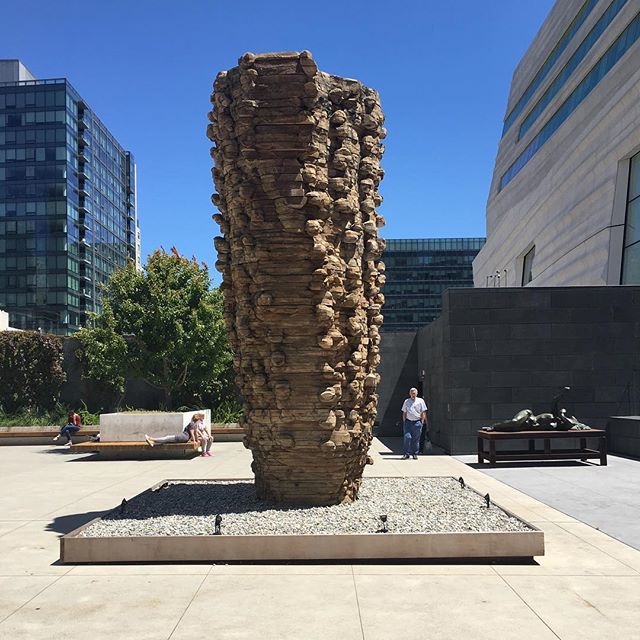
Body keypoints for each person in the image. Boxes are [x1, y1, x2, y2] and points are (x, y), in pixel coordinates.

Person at [401, 387, 428, 459]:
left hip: (417, 422)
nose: (413, 394)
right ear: (409, 394)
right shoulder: (406, 401)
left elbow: (423, 412)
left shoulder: (420, 401)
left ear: (416, 393)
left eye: (414, 393)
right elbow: (404, 412)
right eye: (412, 393)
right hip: (408, 422)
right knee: (407, 437)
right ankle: (406, 454)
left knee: (416, 439)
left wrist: (422, 422)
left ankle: (415, 453)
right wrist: (404, 421)